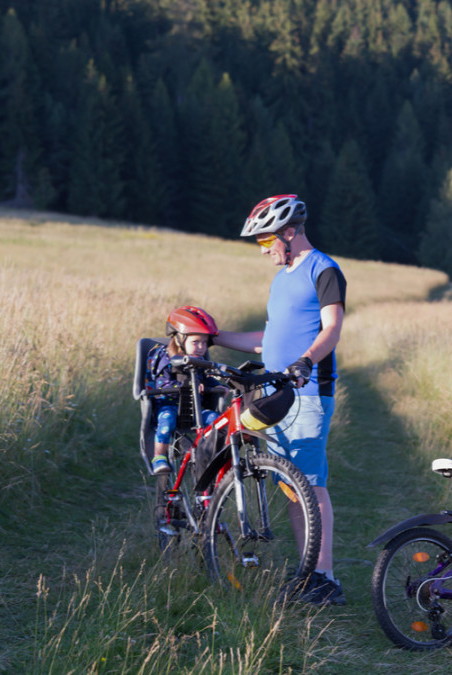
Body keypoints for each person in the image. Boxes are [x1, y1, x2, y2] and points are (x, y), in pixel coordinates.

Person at [214, 194, 347, 606]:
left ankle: (323, 578)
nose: (264, 248)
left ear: (289, 232)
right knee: (293, 485)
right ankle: (309, 570)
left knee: (309, 483)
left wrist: (306, 361)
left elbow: (332, 328)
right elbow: (265, 341)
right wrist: (211, 338)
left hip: (306, 392)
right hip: (276, 393)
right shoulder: (281, 277)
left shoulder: (323, 270)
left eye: (265, 240)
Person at [146, 306, 222, 474]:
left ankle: (210, 455)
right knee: (166, 423)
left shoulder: (199, 359)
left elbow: (207, 378)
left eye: (204, 342)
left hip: (195, 409)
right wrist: (188, 387)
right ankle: (159, 457)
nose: (201, 347)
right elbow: (162, 385)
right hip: (169, 407)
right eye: (196, 342)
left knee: (217, 420)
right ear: (180, 339)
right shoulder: (165, 358)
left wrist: (215, 386)